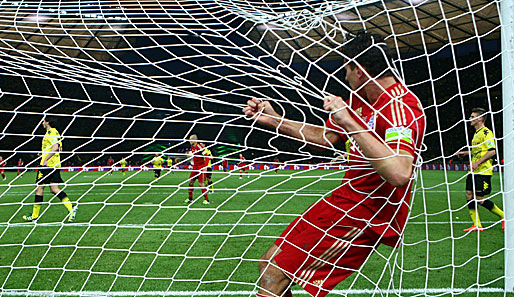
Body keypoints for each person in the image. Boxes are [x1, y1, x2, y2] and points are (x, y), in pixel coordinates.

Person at [243, 31, 425, 297]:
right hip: (346, 199)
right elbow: (327, 137)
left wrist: (349, 121)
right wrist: (274, 120)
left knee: (275, 274)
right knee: (268, 263)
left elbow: (398, 173)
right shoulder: (359, 102)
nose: (344, 76)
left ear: (360, 70)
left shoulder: (400, 107)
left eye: (346, 69)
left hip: (369, 213)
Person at [457, 107, 504, 232]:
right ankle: (477, 225)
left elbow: (492, 151)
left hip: (483, 171)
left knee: (478, 198)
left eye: (472, 117)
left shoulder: (486, 133)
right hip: (473, 171)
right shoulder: (476, 134)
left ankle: (503, 216)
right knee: (468, 195)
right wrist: (467, 153)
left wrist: (477, 163)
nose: (470, 119)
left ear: (480, 118)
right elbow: (478, 151)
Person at [23, 118, 77, 223]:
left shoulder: (51, 132)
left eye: (43, 121)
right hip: (55, 165)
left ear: (47, 122)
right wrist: (43, 153)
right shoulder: (56, 132)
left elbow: (56, 147)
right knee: (54, 189)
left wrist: (46, 159)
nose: (42, 123)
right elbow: (60, 148)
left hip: (47, 166)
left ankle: (34, 216)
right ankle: (71, 208)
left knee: (39, 188)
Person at [185, 135, 210, 205]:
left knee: (201, 184)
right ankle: (190, 198)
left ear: (194, 140)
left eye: (190, 139)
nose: (189, 141)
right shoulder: (192, 147)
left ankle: (207, 199)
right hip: (195, 167)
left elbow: (207, 157)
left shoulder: (199, 147)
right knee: (190, 182)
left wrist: (205, 167)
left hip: (201, 167)